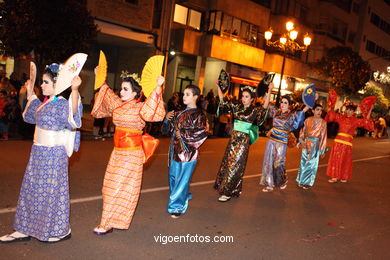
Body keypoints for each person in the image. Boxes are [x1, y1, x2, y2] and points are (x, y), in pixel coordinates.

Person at [0, 63, 83, 243]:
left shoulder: (61, 103)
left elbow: (72, 114)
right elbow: (32, 115)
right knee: (30, 190)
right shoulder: (48, 103)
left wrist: (75, 90)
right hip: (38, 154)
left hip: (53, 156)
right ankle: (23, 228)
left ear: (57, 84)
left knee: (50, 193)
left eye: (45, 82)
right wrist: (30, 91)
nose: (42, 85)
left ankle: (60, 231)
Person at [91, 71, 165, 235]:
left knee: (118, 188)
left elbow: (155, 113)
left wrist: (158, 87)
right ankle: (113, 220)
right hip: (117, 153)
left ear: (135, 93)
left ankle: (106, 223)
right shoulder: (118, 104)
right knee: (109, 186)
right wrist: (102, 81)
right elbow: (108, 95)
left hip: (131, 154)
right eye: (121, 89)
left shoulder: (141, 108)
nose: (121, 92)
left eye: (125, 89)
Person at [214, 84, 272, 202]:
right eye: (243, 96)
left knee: (236, 165)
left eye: (247, 97)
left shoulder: (255, 110)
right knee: (228, 162)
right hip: (233, 139)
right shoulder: (237, 107)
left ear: (252, 99)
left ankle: (227, 192)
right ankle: (231, 188)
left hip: (243, 141)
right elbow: (223, 102)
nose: (244, 98)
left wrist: (270, 90)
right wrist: (219, 88)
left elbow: (265, 108)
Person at [161, 85, 207, 218]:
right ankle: (182, 196)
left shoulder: (199, 115)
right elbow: (166, 131)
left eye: (188, 94)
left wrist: (182, 133)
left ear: (195, 97)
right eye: (184, 94)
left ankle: (177, 207)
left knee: (182, 180)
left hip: (188, 154)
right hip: (175, 152)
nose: (184, 97)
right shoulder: (178, 113)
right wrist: (166, 119)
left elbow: (201, 133)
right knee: (173, 178)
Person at [260, 95, 312, 192]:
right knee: (269, 160)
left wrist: (312, 99)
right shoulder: (276, 112)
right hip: (271, 139)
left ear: (289, 105)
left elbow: (303, 112)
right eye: (282, 102)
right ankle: (269, 184)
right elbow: (266, 104)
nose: (283, 104)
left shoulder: (291, 115)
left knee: (279, 162)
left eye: (285, 103)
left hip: (282, 141)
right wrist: (269, 92)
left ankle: (282, 180)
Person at [325, 103, 373, 183]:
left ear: (353, 111)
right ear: (345, 110)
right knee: (336, 159)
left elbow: (365, 121)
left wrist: (370, 110)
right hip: (338, 142)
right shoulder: (340, 117)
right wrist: (331, 104)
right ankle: (334, 177)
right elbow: (332, 114)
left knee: (345, 160)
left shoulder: (355, 120)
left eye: (351, 110)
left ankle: (344, 176)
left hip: (347, 143)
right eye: (347, 109)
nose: (349, 111)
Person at [296, 104, 327, 189]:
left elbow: (323, 137)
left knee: (311, 164)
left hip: (315, 145)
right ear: (313, 111)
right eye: (317, 109)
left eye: (321, 110)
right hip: (306, 144)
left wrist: (322, 150)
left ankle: (307, 182)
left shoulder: (323, 123)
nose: (319, 112)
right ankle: (300, 180)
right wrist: (301, 141)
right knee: (303, 162)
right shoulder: (307, 120)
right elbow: (302, 131)